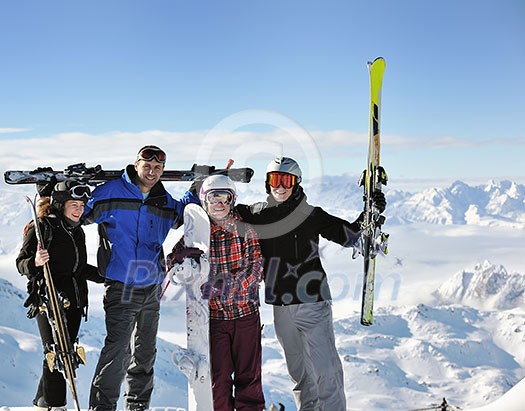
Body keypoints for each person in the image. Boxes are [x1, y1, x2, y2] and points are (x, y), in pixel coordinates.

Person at [236, 156, 387, 411]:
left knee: (325, 370)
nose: (280, 186)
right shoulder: (258, 214)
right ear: (267, 182)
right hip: (281, 307)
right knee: (299, 373)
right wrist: (208, 185)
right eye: (275, 179)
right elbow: (221, 208)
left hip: (313, 303)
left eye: (287, 180)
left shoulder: (310, 215)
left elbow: (349, 234)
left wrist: (371, 210)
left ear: (296, 183)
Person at [83, 145, 199, 411]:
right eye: (147, 166)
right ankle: (102, 408)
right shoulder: (110, 192)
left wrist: (196, 191)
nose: (152, 171)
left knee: (145, 353)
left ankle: (137, 405)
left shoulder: (163, 200)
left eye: (158, 167)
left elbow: (182, 215)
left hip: (152, 288)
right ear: (136, 165)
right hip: (121, 287)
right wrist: (58, 197)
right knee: (118, 351)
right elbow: (79, 213)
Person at [167, 175, 266, 411]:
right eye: (214, 197)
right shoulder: (196, 232)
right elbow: (171, 264)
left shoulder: (245, 230)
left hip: (245, 316)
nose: (219, 203)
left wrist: (225, 285)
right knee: (216, 383)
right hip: (213, 321)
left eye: (225, 197)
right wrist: (177, 259)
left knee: (249, 379)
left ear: (232, 200)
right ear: (204, 200)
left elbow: (255, 269)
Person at [16, 181, 103, 411]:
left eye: (82, 205)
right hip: (48, 299)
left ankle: (43, 402)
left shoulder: (77, 231)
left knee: (65, 352)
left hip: (74, 300)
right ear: (61, 205)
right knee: (56, 352)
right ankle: (56, 405)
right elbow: (21, 264)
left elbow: (79, 268)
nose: (79, 209)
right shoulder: (42, 228)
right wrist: (35, 262)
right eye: (73, 204)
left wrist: (105, 276)